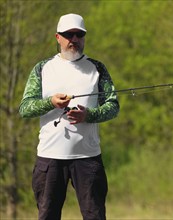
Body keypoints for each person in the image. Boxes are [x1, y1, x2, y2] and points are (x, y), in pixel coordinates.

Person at [19, 13, 119, 220]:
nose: (74, 39)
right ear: (58, 37)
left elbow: (113, 106)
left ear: (84, 37)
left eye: (79, 35)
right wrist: (51, 102)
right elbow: (25, 108)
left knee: (95, 215)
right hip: (49, 158)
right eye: (68, 35)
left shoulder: (97, 69)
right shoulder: (42, 69)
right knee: (47, 215)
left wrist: (88, 115)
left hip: (88, 158)